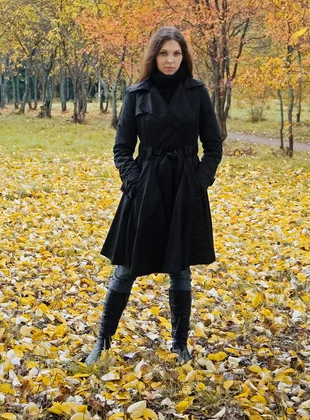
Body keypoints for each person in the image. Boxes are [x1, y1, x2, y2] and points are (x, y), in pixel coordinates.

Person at [85, 26, 222, 364]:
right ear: (154, 56)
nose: (170, 60)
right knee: (126, 267)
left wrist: (199, 180)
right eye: (164, 53)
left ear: (184, 56)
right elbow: (121, 149)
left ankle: (179, 345)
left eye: (176, 53)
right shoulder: (137, 93)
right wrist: (133, 182)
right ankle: (102, 343)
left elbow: (214, 145)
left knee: (181, 269)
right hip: (145, 189)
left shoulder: (197, 92)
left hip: (184, 188)